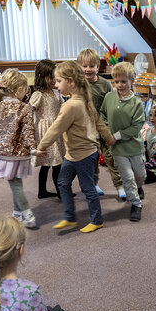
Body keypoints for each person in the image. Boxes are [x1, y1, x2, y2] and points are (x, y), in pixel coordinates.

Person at [36, 61, 115, 233]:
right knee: (63, 183)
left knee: (88, 189)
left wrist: (41, 146)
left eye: (58, 81)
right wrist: (108, 137)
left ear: (70, 81)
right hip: (73, 154)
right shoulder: (80, 99)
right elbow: (99, 122)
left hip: (84, 154)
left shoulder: (71, 105)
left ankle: (97, 220)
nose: (56, 85)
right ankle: (70, 217)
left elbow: (56, 128)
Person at [0, 68, 37, 229]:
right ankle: (28, 215)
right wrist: (33, 148)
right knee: (17, 185)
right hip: (18, 152)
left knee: (15, 183)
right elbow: (28, 131)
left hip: (1, 152)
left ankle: (17, 213)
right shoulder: (23, 107)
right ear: (19, 90)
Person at [100, 62, 146, 221]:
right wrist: (106, 133)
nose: (119, 85)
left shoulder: (137, 103)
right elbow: (103, 116)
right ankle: (136, 204)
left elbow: (136, 127)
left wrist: (116, 136)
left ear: (132, 80)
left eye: (123, 81)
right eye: (116, 81)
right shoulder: (109, 97)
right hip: (118, 148)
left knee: (139, 176)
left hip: (134, 146)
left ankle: (139, 187)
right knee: (127, 177)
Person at [77, 48, 125, 199]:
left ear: (98, 67)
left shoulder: (105, 84)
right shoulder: (77, 84)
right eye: (84, 66)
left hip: (104, 126)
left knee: (111, 157)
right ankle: (94, 184)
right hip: (86, 129)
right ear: (79, 67)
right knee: (92, 160)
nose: (88, 69)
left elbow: (112, 104)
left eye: (92, 66)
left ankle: (119, 185)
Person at [29, 59, 65, 199]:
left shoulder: (56, 93)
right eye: (50, 77)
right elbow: (28, 111)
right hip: (46, 132)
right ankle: (60, 193)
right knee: (51, 163)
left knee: (55, 162)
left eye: (55, 77)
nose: (53, 80)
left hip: (57, 129)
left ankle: (44, 191)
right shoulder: (39, 94)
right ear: (41, 76)